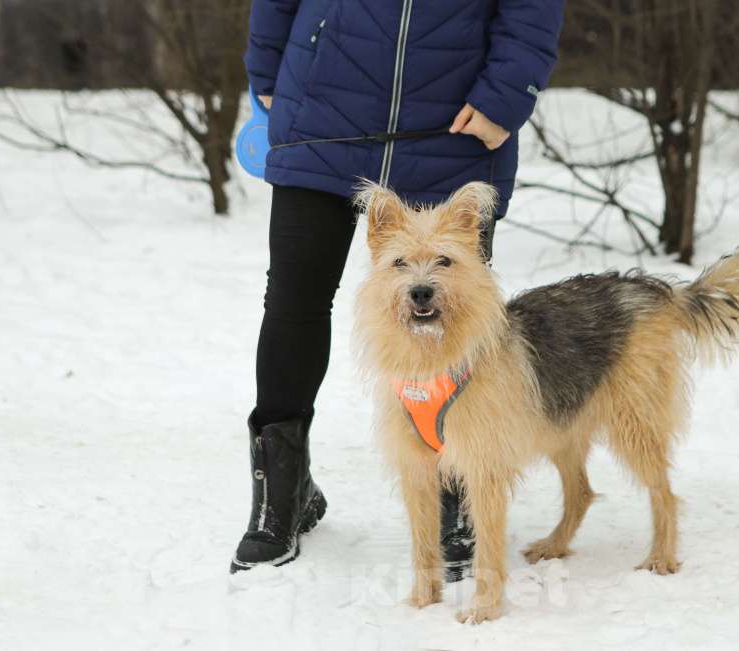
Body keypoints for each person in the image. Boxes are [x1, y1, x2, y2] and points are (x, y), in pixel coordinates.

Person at [231, 0, 565, 576]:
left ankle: (456, 490)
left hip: (453, 126)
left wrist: (507, 94)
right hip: (322, 112)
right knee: (294, 301)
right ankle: (281, 497)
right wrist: (268, 69)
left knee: (458, 317)